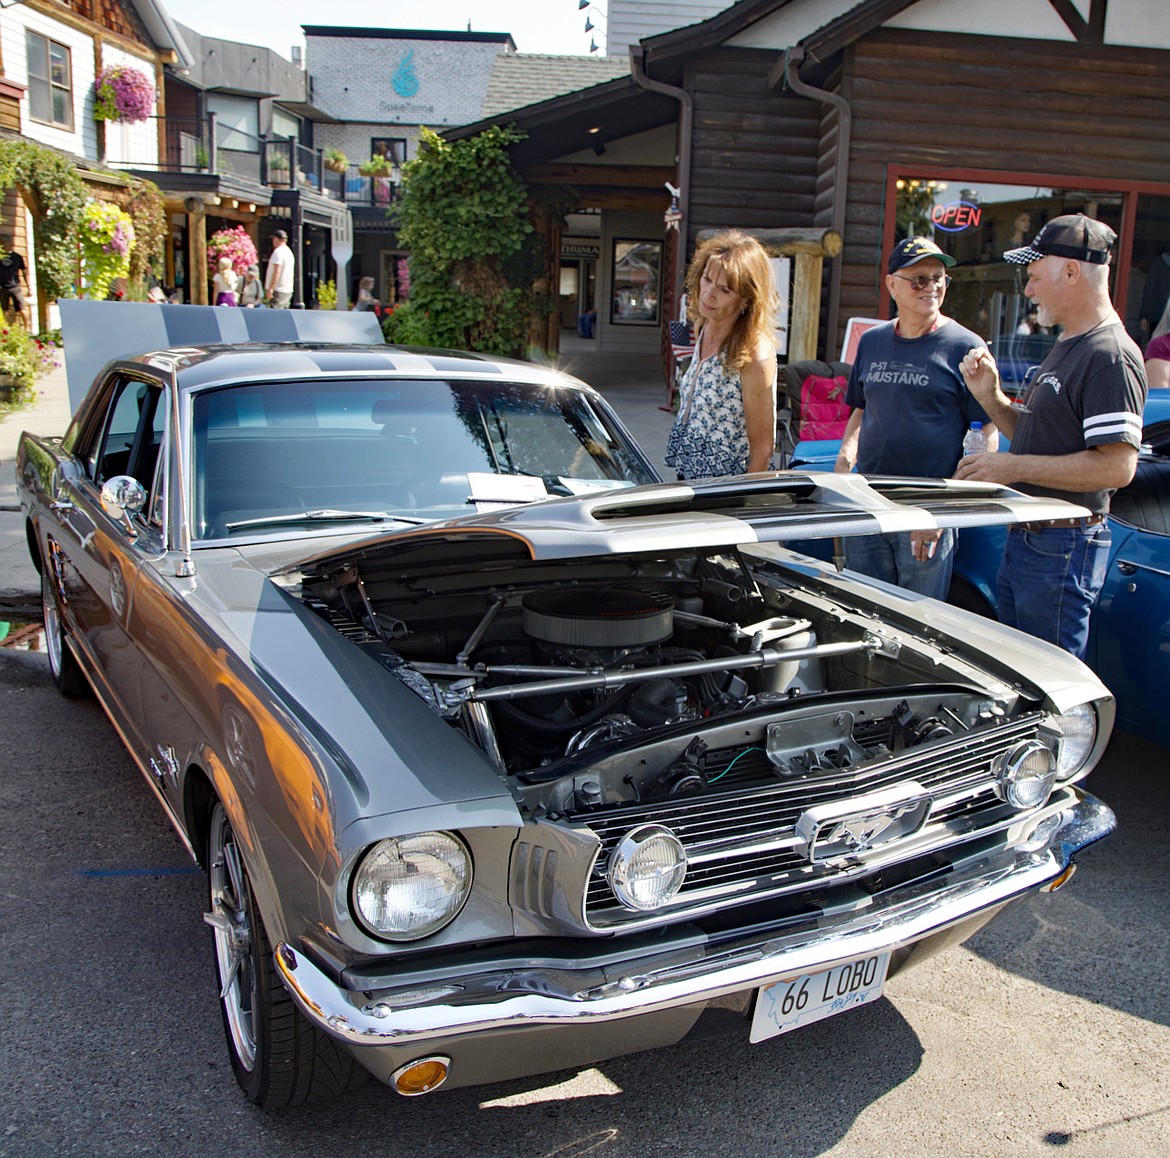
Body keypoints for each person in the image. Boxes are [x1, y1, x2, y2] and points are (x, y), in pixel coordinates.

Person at [956, 213, 1149, 659]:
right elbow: (1038, 438)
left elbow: (1117, 466)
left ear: (1070, 270)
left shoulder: (1111, 354)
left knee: (1048, 681)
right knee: (1019, 672)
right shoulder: (1071, 343)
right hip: (1035, 540)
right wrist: (991, 398)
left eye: (1035, 276)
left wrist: (1010, 466)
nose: (1028, 290)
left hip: (1063, 544)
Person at [834, 236, 996, 599]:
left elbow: (985, 434)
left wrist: (941, 513)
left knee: (918, 621)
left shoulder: (965, 346)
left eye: (939, 278)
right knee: (865, 610)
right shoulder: (873, 341)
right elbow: (861, 407)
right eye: (919, 279)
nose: (932, 287)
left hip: (926, 508)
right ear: (892, 284)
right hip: (868, 501)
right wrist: (846, 458)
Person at [665, 230, 778, 479]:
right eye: (706, 280)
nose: (708, 294)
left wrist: (739, 504)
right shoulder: (703, 328)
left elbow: (763, 450)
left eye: (724, 290)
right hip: (689, 481)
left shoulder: (754, 353)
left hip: (727, 494)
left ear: (747, 299)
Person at [0, 241, 31, 327]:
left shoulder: (17, 257)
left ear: (11, 245)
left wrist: (29, 286)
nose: (5, 246)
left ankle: (26, 328)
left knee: (21, 308)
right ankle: (5, 329)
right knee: (4, 310)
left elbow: (24, 272)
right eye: (3, 244)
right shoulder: (0, 257)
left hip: (15, 287)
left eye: (6, 244)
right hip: (2, 287)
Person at [264, 230, 295, 308]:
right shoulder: (289, 252)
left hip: (278, 290)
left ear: (276, 239)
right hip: (287, 289)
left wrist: (271, 288)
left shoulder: (278, 252)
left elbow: (276, 271)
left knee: (274, 314)